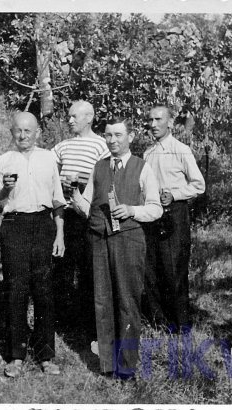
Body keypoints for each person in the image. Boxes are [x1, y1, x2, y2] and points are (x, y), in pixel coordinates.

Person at [70, 117, 162, 380]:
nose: (112, 140)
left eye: (118, 135)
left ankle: (127, 367)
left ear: (130, 137)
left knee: (127, 301)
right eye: (108, 135)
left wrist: (132, 210)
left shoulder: (142, 167)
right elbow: (87, 206)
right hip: (99, 240)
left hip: (129, 240)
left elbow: (156, 208)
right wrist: (74, 194)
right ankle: (108, 364)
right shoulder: (99, 167)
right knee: (102, 300)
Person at [0, 112, 66, 377]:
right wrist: (5, 191)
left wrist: (60, 234)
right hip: (14, 225)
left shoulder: (48, 159)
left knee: (44, 290)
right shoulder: (4, 161)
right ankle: (16, 355)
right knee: (16, 289)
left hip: (43, 224)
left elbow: (58, 200)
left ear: (37, 133)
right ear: (12, 132)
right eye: (18, 131)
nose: (23, 136)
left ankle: (46, 355)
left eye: (28, 131)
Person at [143, 106, 205, 330]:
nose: (153, 124)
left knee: (174, 270)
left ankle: (182, 325)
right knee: (151, 269)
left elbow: (199, 185)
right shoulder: (148, 154)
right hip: (151, 215)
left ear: (170, 123)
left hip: (175, 214)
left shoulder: (181, 150)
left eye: (158, 119)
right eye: (150, 120)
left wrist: (175, 194)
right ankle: (160, 324)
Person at [51, 100, 108, 326]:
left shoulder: (101, 146)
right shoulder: (63, 146)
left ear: (89, 118)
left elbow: (105, 180)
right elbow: (48, 167)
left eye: (74, 116)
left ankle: (87, 319)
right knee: (62, 264)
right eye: (69, 116)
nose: (70, 120)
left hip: (87, 213)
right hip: (65, 214)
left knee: (87, 267)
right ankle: (63, 317)